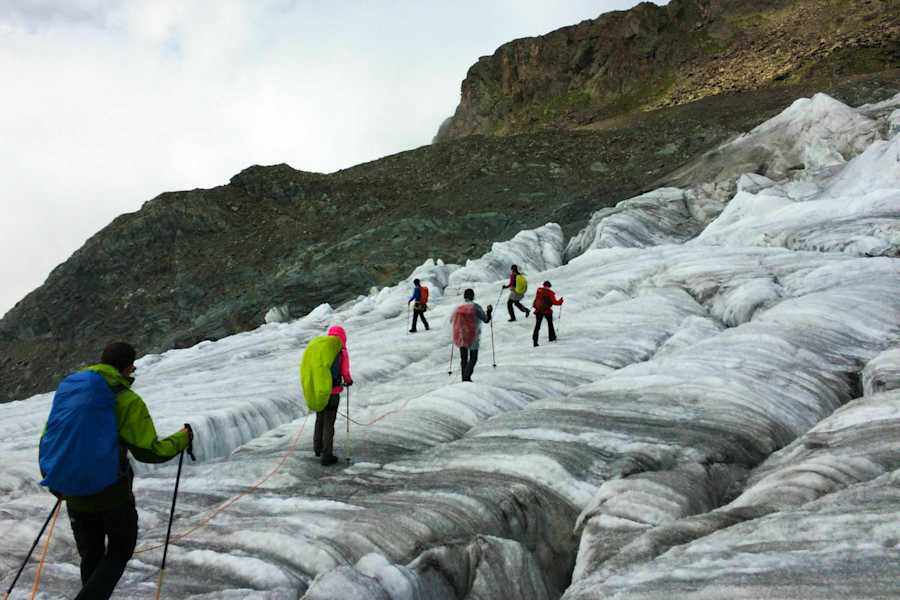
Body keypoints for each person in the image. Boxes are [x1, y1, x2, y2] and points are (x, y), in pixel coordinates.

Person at [39, 342, 191, 600]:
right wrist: (182, 439)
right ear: (129, 366)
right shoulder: (126, 399)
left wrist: (57, 482)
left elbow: (50, 438)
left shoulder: (70, 394)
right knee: (121, 549)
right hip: (112, 493)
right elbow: (149, 451)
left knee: (92, 556)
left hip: (73, 493)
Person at [314, 325, 353, 465]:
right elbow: (345, 372)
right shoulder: (342, 352)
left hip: (320, 392)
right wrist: (348, 381)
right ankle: (327, 455)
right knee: (329, 423)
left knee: (319, 419)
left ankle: (317, 448)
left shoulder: (321, 349)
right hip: (334, 392)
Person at [450, 289, 493, 382]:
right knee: (473, 358)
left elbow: (451, 321)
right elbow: (485, 319)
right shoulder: (475, 307)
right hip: (473, 335)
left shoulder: (457, 307)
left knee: (464, 358)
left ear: (464, 296)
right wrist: (489, 311)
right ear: (473, 296)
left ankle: (464, 378)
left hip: (460, 336)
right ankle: (467, 377)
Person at [532, 281, 564, 347]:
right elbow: (555, 302)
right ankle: (552, 338)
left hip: (538, 310)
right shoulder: (550, 293)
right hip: (547, 311)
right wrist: (560, 301)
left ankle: (535, 341)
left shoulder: (539, 290)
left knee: (537, 326)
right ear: (549, 286)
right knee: (550, 324)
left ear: (543, 285)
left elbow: (536, 299)